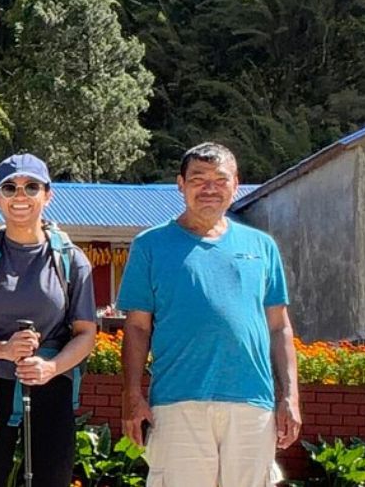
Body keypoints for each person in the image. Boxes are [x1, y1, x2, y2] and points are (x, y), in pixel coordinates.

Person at [118, 142, 301, 487]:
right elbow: (137, 328)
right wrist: (132, 394)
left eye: (220, 179)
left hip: (251, 402)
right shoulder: (149, 245)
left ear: (236, 185)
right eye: (198, 179)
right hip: (177, 400)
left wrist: (289, 397)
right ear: (180, 185)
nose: (210, 188)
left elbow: (279, 328)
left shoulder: (261, 247)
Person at [0, 153, 97, 487]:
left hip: (52, 387)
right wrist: (3, 349)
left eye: (31, 187)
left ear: (48, 194)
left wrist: (52, 367)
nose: (20, 196)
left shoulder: (71, 260)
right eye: (10, 188)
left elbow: (86, 333)